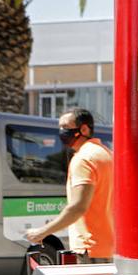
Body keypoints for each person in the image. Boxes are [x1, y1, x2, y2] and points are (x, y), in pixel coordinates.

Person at [24, 108, 113, 262]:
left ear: (84, 129)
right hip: (110, 246)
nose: (62, 132)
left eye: (66, 127)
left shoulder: (83, 159)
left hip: (89, 248)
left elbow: (78, 207)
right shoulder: (107, 154)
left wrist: (42, 232)